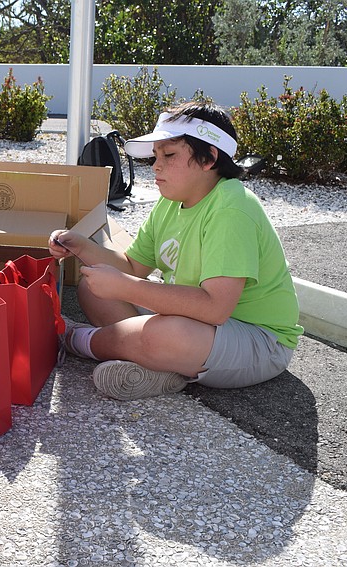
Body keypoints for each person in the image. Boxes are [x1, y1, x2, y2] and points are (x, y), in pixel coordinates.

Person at [50, 101, 303, 401]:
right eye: (156, 156)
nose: (156, 166)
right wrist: (82, 246)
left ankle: (76, 339)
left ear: (209, 158)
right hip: (197, 324)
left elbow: (215, 309)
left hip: (260, 340)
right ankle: (159, 365)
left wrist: (125, 292)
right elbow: (132, 266)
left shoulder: (233, 207)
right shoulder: (171, 200)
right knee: (93, 289)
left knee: (167, 334)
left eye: (169, 155)